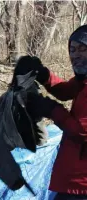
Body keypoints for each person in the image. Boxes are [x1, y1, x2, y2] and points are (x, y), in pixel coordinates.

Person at [15, 25, 87, 199]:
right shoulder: (83, 81)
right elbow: (66, 91)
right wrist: (42, 74)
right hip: (73, 178)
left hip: (81, 186)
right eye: (72, 49)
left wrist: (52, 109)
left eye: (83, 49)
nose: (76, 55)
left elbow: (82, 131)